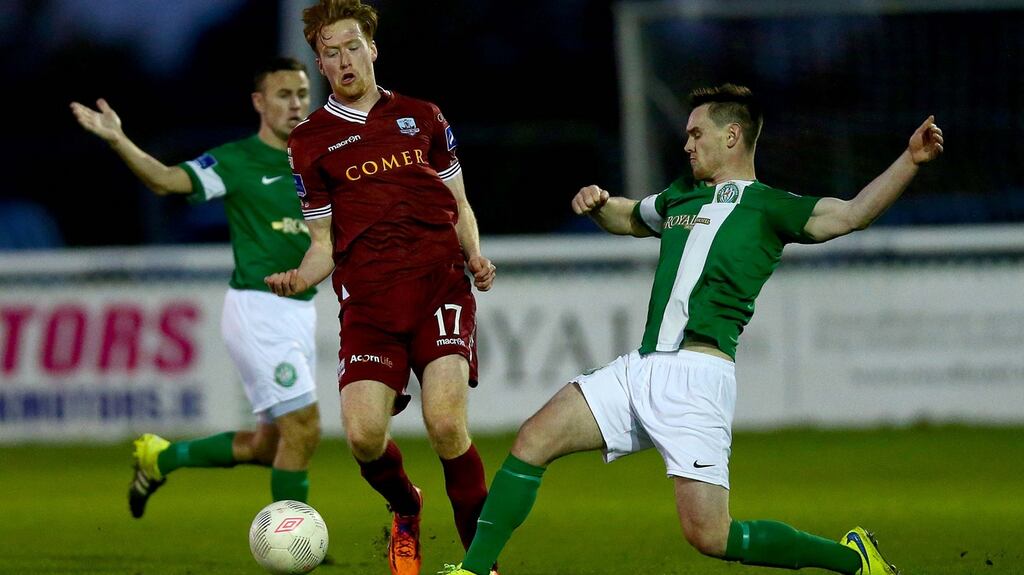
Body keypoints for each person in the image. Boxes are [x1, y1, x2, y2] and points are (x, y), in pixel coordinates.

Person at [441, 84, 944, 575]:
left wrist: (909, 161)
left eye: (696, 133)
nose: (686, 144)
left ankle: (854, 560)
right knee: (533, 439)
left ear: (731, 136)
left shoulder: (770, 206)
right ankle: (474, 570)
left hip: (697, 380)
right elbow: (628, 217)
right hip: (640, 367)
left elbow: (852, 213)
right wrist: (599, 205)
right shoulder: (683, 196)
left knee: (711, 536)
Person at [264, 2, 497, 575]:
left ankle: (482, 563)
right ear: (320, 63)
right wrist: (299, 278)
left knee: (446, 424)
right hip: (367, 304)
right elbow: (322, 243)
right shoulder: (310, 141)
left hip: (440, 287)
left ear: (373, 48)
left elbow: (459, 204)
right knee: (364, 437)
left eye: (351, 46)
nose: (343, 60)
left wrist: (474, 254)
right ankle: (406, 507)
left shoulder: (424, 116)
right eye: (330, 52)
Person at [70, 57, 323, 518]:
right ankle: (292, 541)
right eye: (284, 95)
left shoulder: (318, 160)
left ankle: (161, 458)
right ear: (259, 102)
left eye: (302, 94)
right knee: (304, 428)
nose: (296, 104)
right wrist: (118, 138)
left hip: (301, 310)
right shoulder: (236, 160)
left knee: (270, 446)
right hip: (260, 309)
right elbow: (166, 181)